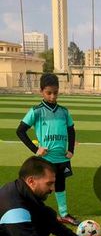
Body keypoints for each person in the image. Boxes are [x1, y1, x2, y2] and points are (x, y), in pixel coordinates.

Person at [16, 73, 79, 226]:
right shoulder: (36, 111)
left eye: (55, 93)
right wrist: (35, 149)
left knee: (60, 185)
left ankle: (64, 214)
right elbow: (20, 131)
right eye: (48, 93)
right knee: (41, 187)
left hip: (62, 157)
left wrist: (71, 150)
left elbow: (71, 130)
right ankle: (34, 213)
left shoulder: (64, 111)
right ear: (41, 91)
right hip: (45, 159)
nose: (52, 96)